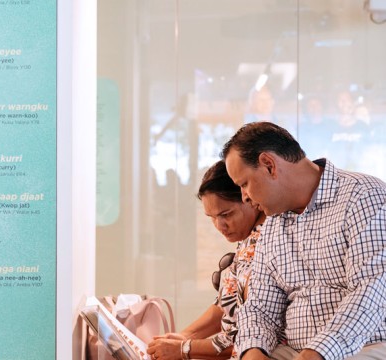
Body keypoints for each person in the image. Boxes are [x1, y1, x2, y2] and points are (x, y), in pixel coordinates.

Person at [221, 121, 386, 360]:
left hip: (367, 347)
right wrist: (252, 352)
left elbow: (371, 292)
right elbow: (259, 307)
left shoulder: (364, 197)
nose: (244, 197)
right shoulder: (273, 225)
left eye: (244, 184)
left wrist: (317, 353)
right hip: (295, 352)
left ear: (269, 165)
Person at [147, 160, 267, 360]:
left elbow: (248, 340)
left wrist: (185, 348)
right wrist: (184, 337)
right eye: (211, 217)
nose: (220, 226)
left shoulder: (268, 244)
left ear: (249, 197)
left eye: (226, 214)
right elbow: (224, 304)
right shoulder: (248, 239)